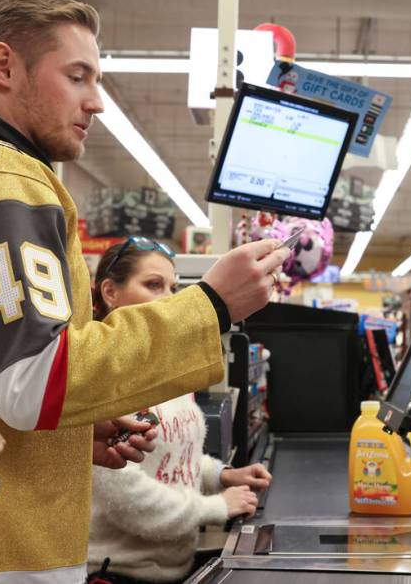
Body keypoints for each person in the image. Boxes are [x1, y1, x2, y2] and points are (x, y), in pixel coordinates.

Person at [0, 0, 290, 583]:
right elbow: (35, 379)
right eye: (78, 77)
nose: (98, 101)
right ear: (4, 66)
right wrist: (208, 306)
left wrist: (71, 438)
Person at [87, 239, 272, 583]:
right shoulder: (103, 379)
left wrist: (221, 475)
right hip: (119, 573)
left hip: (176, 569)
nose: (169, 299)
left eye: (173, 288)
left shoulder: (166, 372)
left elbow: (175, 457)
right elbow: (128, 498)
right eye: (153, 285)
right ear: (110, 292)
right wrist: (217, 507)